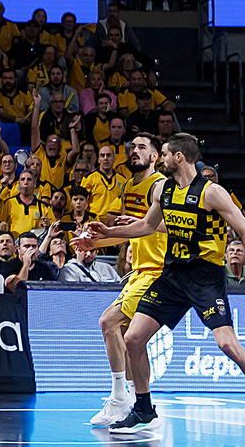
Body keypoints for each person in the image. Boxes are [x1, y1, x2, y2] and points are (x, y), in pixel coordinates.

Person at [85, 132, 245, 443]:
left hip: (205, 278)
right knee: (132, 337)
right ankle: (143, 407)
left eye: (164, 153)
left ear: (179, 157)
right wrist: (107, 232)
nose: (160, 158)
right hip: (173, 275)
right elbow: (147, 226)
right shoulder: (164, 190)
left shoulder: (212, 193)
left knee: (227, 345)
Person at [82, 131, 165, 428]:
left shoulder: (159, 186)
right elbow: (129, 232)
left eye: (142, 147)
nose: (135, 151)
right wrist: (94, 244)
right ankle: (140, 404)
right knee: (132, 340)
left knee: (109, 322)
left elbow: (160, 226)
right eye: (133, 147)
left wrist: (140, 225)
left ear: (155, 156)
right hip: (138, 270)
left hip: (157, 270)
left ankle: (120, 398)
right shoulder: (129, 186)